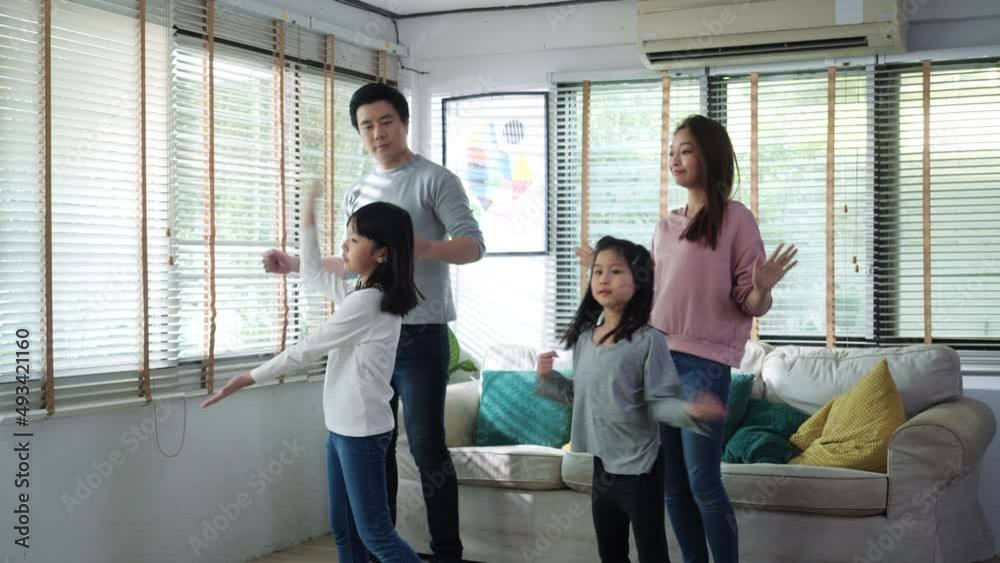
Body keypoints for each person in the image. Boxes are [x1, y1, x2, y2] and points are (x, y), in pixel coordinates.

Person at [262, 83, 484, 563]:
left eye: (386, 121)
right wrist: (297, 264)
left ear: (403, 122)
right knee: (373, 450)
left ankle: (447, 553)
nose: (378, 132)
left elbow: (473, 246)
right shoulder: (359, 191)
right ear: (359, 133)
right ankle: (380, 549)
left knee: (426, 448)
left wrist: (418, 247)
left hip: (421, 335)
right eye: (367, 125)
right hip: (368, 339)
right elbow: (353, 261)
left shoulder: (434, 180)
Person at [578, 114, 798, 563]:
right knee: (671, 487)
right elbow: (646, 295)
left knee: (703, 482)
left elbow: (749, 302)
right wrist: (603, 273)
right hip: (654, 362)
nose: (675, 159)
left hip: (702, 365)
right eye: (672, 152)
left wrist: (763, 286)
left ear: (710, 156)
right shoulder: (664, 226)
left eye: (686, 150)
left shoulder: (736, 219)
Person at [203, 188, 423, 563]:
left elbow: (307, 348)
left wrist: (248, 377)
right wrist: (307, 217)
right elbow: (316, 275)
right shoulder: (366, 294)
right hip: (344, 429)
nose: (345, 245)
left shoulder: (367, 303)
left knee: (375, 534)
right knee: (346, 530)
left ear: (382, 252)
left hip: (361, 433)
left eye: (354, 239)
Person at [535, 235, 728, 563]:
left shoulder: (649, 341)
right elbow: (578, 396)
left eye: (615, 271)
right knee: (610, 553)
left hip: (642, 468)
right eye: (597, 272)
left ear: (639, 281)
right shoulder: (585, 340)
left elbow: (659, 401)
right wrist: (546, 377)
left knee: (652, 553)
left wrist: (690, 411)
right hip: (602, 466)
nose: (603, 279)